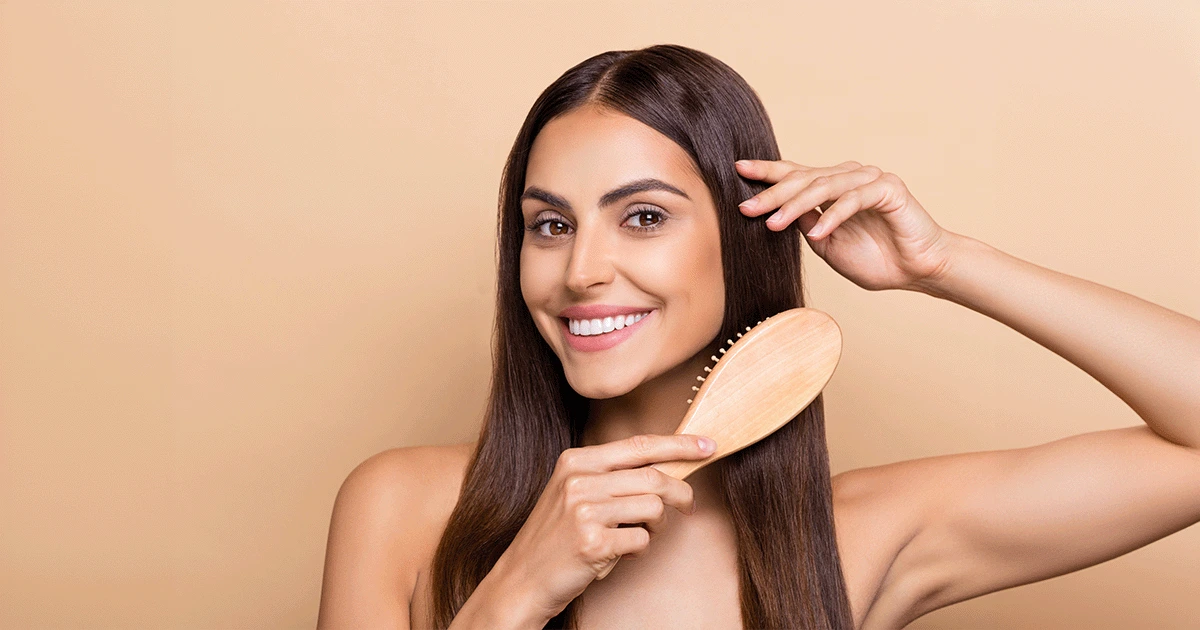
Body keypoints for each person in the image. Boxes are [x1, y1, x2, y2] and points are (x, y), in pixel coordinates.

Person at [316, 44, 1200, 630]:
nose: (581, 270)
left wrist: (945, 262)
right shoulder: (402, 507)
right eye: (549, 226)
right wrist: (513, 594)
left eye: (643, 217)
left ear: (741, 242)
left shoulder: (853, 539)